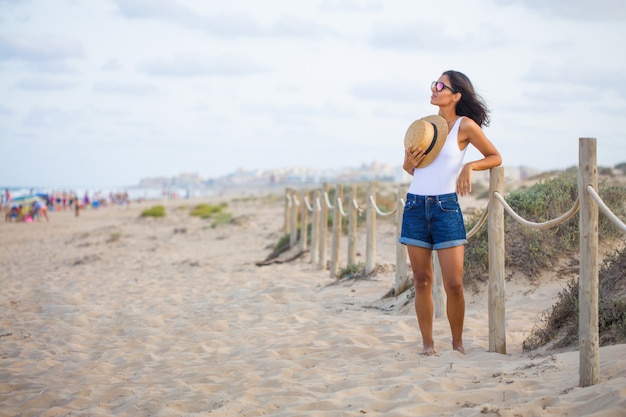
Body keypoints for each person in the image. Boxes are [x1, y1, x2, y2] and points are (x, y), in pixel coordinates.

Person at [400, 70, 502, 355]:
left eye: (441, 85)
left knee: (454, 283)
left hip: (446, 207)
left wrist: (469, 167)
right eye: (434, 83)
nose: (434, 88)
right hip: (415, 206)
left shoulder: (464, 126)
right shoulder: (424, 128)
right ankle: (428, 345)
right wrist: (408, 162)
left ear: (456, 95)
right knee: (421, 280)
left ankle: (457, 344)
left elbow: (495, 156)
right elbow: (411, 170)